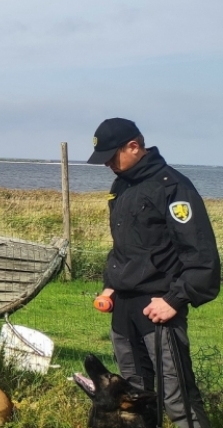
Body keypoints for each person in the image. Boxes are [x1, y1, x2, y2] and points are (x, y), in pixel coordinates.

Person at [90, 117, 218, 428]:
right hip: (123, 307)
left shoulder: (173, 187)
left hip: (158, 307)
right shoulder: (121, 186)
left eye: (111, 156)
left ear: (134, 146)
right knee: (133, 396)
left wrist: (175, 299)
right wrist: (111, 285)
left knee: (177, 398)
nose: (107, 164)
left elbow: (202, 257)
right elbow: (125, 247)